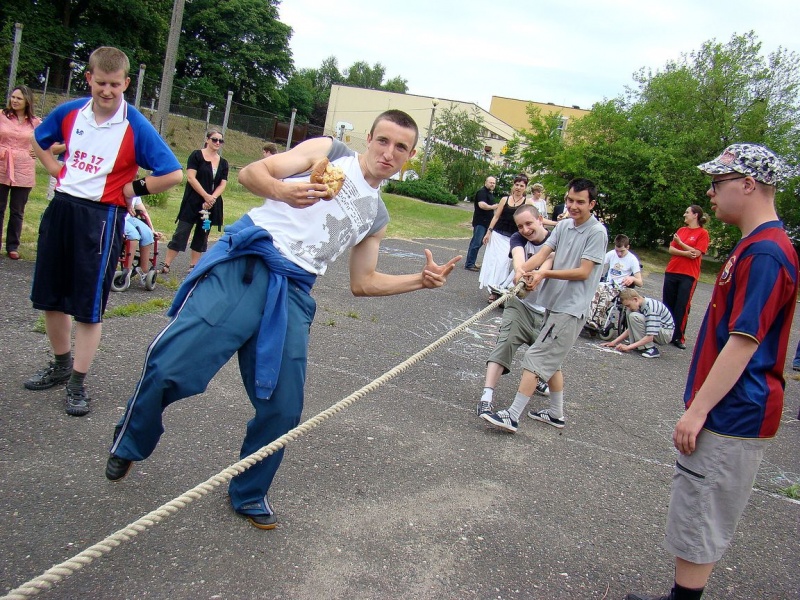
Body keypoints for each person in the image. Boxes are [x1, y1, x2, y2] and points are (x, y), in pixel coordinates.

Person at [104, 110, 462, 531]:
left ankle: (250, 490)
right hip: (247, 262)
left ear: (410, 155)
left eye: (400, 147)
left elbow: (363, 283)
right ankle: (131, 439)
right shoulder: (329, 152)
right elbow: (253, 173)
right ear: (369, 138)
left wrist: (419, 280)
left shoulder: (376, 216)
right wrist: (283, 191)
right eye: (383, 141)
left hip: (293, 290)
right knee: (170, 363)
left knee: (284, 407)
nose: (389, 152)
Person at [625, 143, 798, 600]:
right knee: (696, 507)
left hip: (733, 411)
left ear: (749, 184)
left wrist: (699, 410)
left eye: (718, 183)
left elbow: (744, 342)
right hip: (728, 408)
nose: (711, 191)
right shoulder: (753, 247)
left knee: (702, 511)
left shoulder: (765, 253)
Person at [26, 46, 183, 417]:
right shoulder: (69, 112)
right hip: (62, 207)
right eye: (101, 83)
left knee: (88, 307)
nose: (107, 91)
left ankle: (78, 383)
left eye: (115, 84)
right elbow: (38, 137)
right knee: (50, 297)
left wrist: (133, 190)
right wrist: (52, 166)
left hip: (101, 218)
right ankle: (61, 364)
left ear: (126, 83)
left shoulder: (135, 125)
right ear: (89, 79)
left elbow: (172, 173)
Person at [481, 178, 607, 432]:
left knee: (536, 357)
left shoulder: (596, 232)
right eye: (570, 200)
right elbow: (541, 254)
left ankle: (512, 415)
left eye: (580, 202)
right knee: (551, 361)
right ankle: (556, 413)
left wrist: (544, 274)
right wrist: (522, 272)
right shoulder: (564, 226)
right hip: (556, 303)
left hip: (571, 308)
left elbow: (583, 272)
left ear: (591, 204)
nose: (573, 206)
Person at [476, 204, 554, 418]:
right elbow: (520, 262)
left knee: (545, 357)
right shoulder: (517, 239)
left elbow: (548, 262)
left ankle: (541, 386)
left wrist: (540, 274)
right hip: (520, 304)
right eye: (520, 226)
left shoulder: (556, 240)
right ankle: (486, 397)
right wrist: (522, 273)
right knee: (505, 343)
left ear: (540, 219)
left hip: (547, 311)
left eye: (529, 223)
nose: (525, 229)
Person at [160, 128, 228, 274]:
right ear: (207, 140)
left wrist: (212, 198)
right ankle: (166, 264)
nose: (217, 143)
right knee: (181, 232)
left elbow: (223, 183)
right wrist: (205, 195)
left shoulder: (223, 163)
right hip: (193, 201)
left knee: (202, 234)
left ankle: (193, 266)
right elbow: (191, 177)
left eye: (220, 141)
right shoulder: (196, 155)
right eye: (214, 139)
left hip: (211, 205)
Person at [0, 85, 41, 260]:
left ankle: (12, 246)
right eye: (13, 97)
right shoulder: (1, 116)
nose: (15, 101)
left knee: (17, 210)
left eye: (19, 98)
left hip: (23, 168)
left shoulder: (35, 122)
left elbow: (48, 141)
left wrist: (38, 150)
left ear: (27, 101)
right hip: (2, 164)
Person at [662, 205, 710, 350]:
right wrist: (685, 252)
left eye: (687, 212)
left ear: (695, 215)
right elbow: (671, 249)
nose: (685, 214)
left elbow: (696, 253)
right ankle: (665, 333)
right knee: (668, 303)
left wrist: (681, 245)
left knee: (682, 306)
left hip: (688, 274)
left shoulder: (703, 233)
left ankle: (678, 336)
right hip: (672, 270)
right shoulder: (681, 230)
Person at [479, 174, 530, 302]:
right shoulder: (504, 199)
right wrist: (489, 232)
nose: (518, 188)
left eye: (521, 186)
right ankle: (493, 292)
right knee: (494, 263)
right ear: (513, 185)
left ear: (525, 188)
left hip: (513, 238)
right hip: (498, 235)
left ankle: (500, 288)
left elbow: (532, 219)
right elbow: (496, 217)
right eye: (517, 185)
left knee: (504, 264)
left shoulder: (527, 202)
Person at [600, 288, 674, 358]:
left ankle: (651, 349)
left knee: (634, 316)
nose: (628, 308)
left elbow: (650, 336)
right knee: (630, 313)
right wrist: (613, 342)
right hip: (658, 330)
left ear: (635, 299)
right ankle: (638, 345)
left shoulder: (651, 309)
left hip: (665, 334)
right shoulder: (641, 304)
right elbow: (631, 329)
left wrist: (628, 347)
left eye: (628, 305)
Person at [464, 175, 496, 271]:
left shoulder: (490, 194)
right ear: (485, 182)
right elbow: (481, 205)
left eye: (494, 183)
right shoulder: (482, 192)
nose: (492, 184)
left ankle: (471, 262)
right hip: (480, 222)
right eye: (490, 182)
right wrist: (494, 206)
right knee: (476, 243)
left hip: (487, 223)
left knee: (479, 243)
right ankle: (469, 264)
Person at [124, 196, 159, 283]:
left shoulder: (135, 191)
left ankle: (144, 271)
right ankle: (126, 271)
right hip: (119, 216)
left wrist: (152, 230)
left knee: (148, 234)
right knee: (133, 235)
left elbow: (143, 212)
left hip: (129, 217)